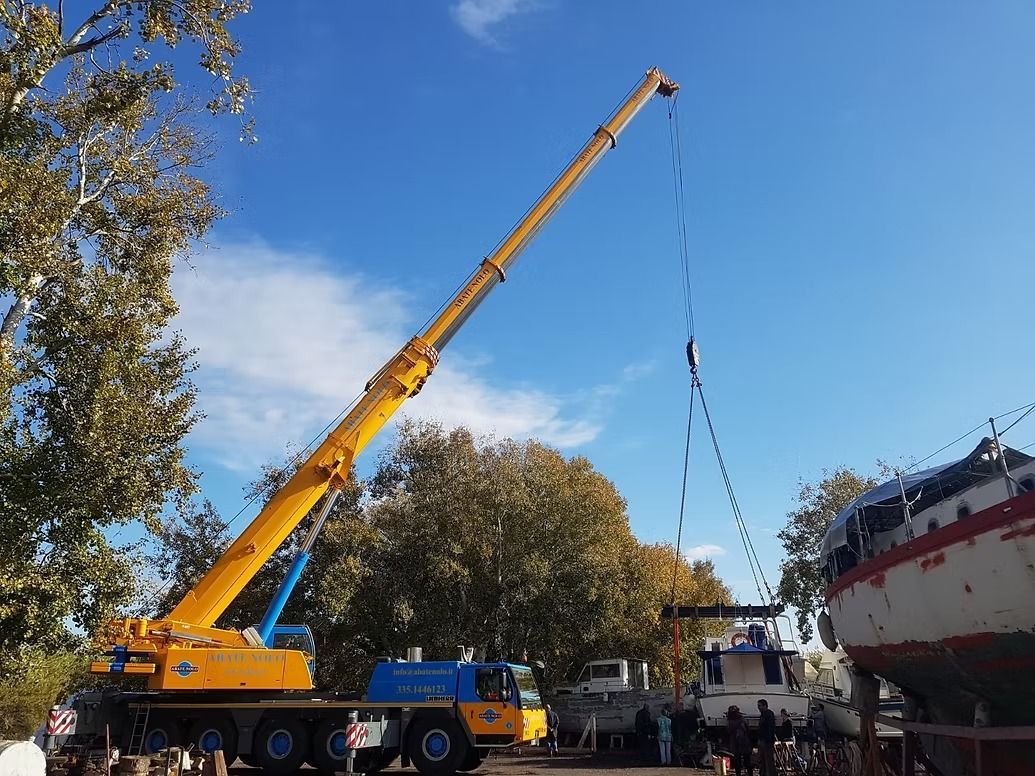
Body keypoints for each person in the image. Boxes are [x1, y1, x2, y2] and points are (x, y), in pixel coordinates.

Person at [726, 705, 753, 776]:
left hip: (735, 743)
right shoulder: (742, 719)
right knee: (747, 761)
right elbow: (747, 730)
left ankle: (738, 774)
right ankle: (750, 774)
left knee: (737, 762)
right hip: (744, 742)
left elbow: (728, 731)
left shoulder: (730, 721)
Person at [757, 699, 776, 776]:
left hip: (766, 740)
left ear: (765, 706)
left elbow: (769, 728)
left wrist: (768, 740)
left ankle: (769, 773)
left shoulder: (768, 714)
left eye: (759, 706)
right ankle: (764, 773)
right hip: (764, 739)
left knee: (768, 759)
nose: (758, 708)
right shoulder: (764, 714)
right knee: (763, 759)